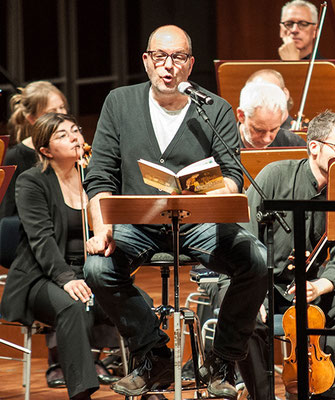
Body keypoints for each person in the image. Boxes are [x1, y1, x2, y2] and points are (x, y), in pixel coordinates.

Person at [82, 25, 267, 399]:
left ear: (190, 64)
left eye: (178, 58)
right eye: (161, 57)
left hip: (199, 222)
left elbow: (234, 177)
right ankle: (154, 354)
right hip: (138, 223)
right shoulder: (119, 102)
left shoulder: (213, 108)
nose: (169, 67)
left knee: (257, 260)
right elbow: (99, 177)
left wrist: (208, 188)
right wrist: (101, 229)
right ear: (147, 61)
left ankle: (222, 359)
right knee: (97, 268)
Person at [238, 111, 335, 400]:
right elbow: (243, 238)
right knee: (244, 311)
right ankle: (262, 396)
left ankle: (331, 394)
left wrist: (319, 285)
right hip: (263, 284)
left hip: (311, 289)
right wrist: (253, 293)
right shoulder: (274, 175)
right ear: (314, 146)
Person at [0, 113, 114, 400]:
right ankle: (82, 395)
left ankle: (150, 384)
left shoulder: (94, 177)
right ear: (45, 151)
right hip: (41, 277)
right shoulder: (32, 182)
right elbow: (41, 240)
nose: (75, 137)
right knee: (72, 306)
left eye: (76, 130)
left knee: (138, 302)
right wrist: (65, 278)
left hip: (88, 273)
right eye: (62, 135)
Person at [0, 81, 68, 219]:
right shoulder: (13, 157)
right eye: (52, 111)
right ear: (32, 118)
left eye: (62, 107)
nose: (61, 116)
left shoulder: (72, 149)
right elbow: (7, 213)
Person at [237, 81, 305, 149]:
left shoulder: (294, 144)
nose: (266, 139)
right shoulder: (227, 142)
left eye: (273, 130)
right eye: (259, 130)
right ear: (241, 116)